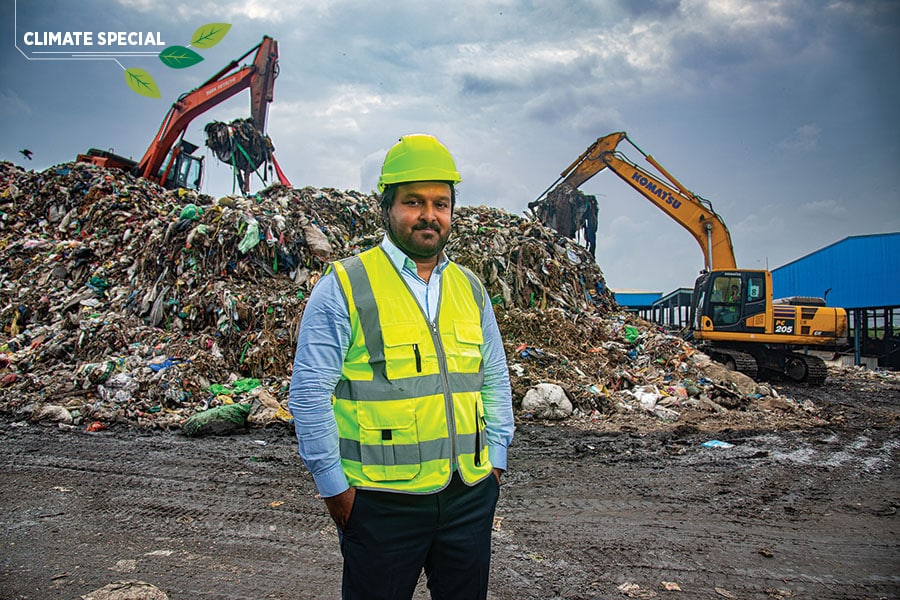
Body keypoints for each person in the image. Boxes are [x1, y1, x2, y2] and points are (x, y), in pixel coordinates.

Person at [288, 134, 515, 599]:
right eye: (413, 201)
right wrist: (338, 494)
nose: (429, 215)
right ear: (387, 207)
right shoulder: (346, 286)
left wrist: (496, 465)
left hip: (469, 494)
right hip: (379, 503)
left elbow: (494, 376)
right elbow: (309, 395)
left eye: (441, 202)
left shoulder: (470, 287)